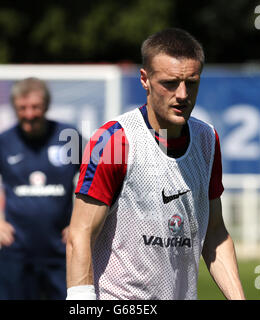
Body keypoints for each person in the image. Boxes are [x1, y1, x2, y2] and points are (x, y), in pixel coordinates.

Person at [66, 28, 245, 300]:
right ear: (145, 79)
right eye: (170, 83)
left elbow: (215, 234)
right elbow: (80, 233)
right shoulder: (115, 141)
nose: (182, 94)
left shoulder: (207, 140)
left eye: (192, 83)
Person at [0, 77, 82, 300]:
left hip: (62, 254)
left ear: (46, 106)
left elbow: (101, 175)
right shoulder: (3, 142)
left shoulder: (68, 137)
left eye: (35, 107)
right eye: (23, 108)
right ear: (15, 107)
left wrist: (81, 224)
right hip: (16, 254)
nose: (29, 114)